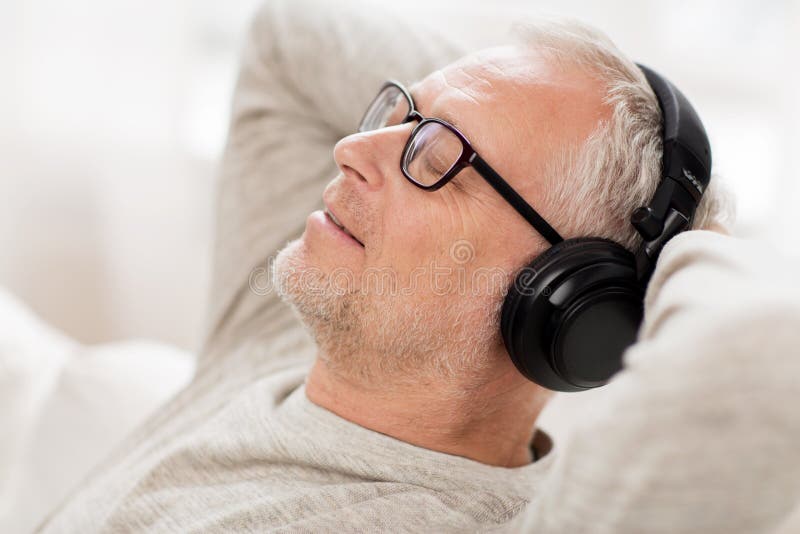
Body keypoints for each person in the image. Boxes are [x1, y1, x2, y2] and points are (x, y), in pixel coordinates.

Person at [38, 0, 800, 532]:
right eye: (400, 116)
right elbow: (288, 34)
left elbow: (765, 352)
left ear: (562, 297)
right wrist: (509, 95)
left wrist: (652, 248)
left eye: (436, 155)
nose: (351, 150)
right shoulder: (281, 330)